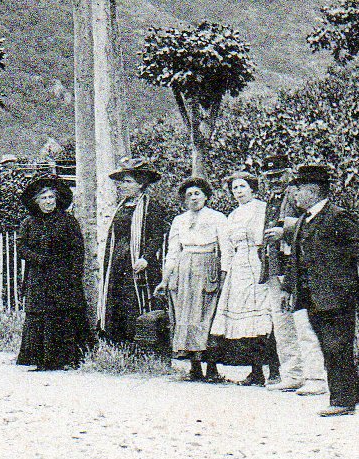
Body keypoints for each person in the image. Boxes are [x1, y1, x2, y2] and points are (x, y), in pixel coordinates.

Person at [286, 163, 359, 417]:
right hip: (312, 296)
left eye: (298, 191)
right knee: (330, 345)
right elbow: (296, 260)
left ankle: (342, 401)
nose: (295, 196)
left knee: (336, 346)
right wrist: (289, 289)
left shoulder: (337, 216)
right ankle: (351, 390)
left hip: (338, 294)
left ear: (313, 191)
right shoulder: (303, 220)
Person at [263, 166, 328, 396]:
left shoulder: (299, 195)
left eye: (277, 176)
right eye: (269, 177)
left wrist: (285, 231)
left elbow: (309, 223)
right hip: (275, 267)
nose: (273, 181)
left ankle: (316, 376)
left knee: (303, 322)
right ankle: (292, 374)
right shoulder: (272, 198)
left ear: (287, 174)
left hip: (296, 267)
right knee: (282, 325)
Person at [15, 175, 92, 371]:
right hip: (38, 276)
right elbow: (21, 247)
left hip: (62, 276)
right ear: (36, 202)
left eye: (51, 198)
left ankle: (66, 359)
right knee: (40, 314)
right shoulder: (29, 223)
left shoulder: (67, 221)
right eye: (44, 198)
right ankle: (41, 359)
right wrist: (38, 258)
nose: (48, 202)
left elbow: (77, 250)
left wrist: (73, 275)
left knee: (63, 314)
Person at [209, 170, 279, 386]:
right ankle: (255, 371)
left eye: (242, 187)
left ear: (252, 188)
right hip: (239, 268)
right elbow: (228, 248)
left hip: (259, 262)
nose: (238, 192)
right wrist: (227, 272)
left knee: (265, 318)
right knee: (247, 321)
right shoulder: (232, 215)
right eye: (234, 188)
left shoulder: (263, 209)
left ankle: (275, 371)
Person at [158, 177, 227, 382]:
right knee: (185, 316)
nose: (194, 197)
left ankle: (212, 367)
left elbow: (226, 249)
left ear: (206, 196)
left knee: (208, 315)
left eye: (197, 193)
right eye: (189, 195)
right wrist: (166, 278)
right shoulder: (179, 221)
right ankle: (194, 366)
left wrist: (224, 274)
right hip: (184, 268)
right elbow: (172, 252)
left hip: (208, 266)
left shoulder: (217, 218)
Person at [99, 157, 169, 347]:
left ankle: (140, 346)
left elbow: (157, 235)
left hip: (139, 264)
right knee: (117, 301)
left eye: (128, 181)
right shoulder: (120, 208)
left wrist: (146, 258)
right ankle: (117, 344)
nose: (122, 185)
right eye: (121, 181)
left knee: (135, 302)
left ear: (141, 184)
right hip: (118, 262)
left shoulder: (152, 207)